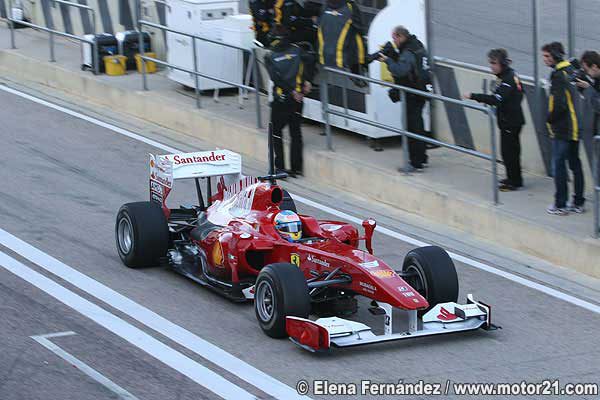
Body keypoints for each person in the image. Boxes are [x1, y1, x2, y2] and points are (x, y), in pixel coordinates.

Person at [463, 49, 525, 191]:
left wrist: (473, 96)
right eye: (490, 63)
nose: (491, 66)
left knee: (510, 153)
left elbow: (496, 99)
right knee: (508, 152)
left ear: (502, 63)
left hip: (511, 121)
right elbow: (521, 93)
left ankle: (514, 182)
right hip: (509, 120)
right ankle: (512, 178)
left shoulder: (508, 79)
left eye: (494, 63)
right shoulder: (508, 75)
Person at [265, 26, 315, 177]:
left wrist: (292, 91)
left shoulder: (270, 56)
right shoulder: (298, 50)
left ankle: (279, 168)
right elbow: (312, 59)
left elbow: (276, 79)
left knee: (276, 133)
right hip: (297, 99)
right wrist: (307, 81)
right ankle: (296, 169)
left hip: (282, 99)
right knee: (295, 133)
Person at [377, 26, 430, 171]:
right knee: (418, 125)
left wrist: (388, 60)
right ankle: (422, 158)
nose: (394, 42)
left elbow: (401, 70)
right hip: (422, 90)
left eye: (394, 38)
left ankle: (415, 163)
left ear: (400, 36)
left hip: (413, 93)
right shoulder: (417, 44)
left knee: (412, 128)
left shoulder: (407, 52)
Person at [542, 42, 584, 215]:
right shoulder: (572, 70)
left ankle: (560, 204)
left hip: (563, 128)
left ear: (555, 57)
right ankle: (578, 203)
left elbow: (560, 105)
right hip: (575, 126)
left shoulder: (559, 75)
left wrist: (549, 119)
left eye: (546, 56)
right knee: (575, 164)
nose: (544, 59)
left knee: (559, 166)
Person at [317, 0, 366, 72]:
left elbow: (319, 26)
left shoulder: (324, 7)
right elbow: (361, 29)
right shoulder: (351, 7)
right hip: (346, 62)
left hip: (323, 59)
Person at [575, 51, 600, 137]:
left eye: (586, 70)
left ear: (594, 66)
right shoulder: (597, 79)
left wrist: (588, 88)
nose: (586, 73)